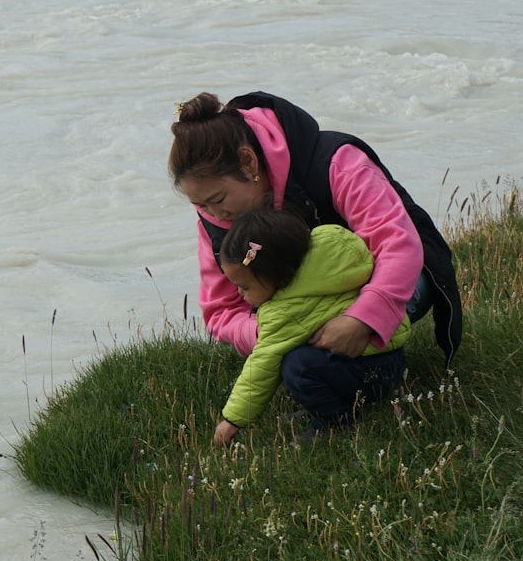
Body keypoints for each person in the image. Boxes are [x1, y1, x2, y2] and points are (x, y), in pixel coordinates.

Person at [167, 90, 461, 372]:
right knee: (305, 360)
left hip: (404, 277)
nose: (216, 215)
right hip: (307, 305)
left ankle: (379, 370)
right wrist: (265, 333)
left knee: (315, 358)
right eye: (201, 206)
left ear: (248, 162)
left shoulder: (337, 163)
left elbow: (399, 247)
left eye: (218, 200)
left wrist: (363, 319)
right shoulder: (213, 220)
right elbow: (221, 312)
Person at [212, 207, 410, 445]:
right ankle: (325, 402)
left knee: (297, 366)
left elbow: (261, 367)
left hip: (372, 374)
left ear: (275, 276)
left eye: (245, 286)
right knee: (303, 358)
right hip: (391, 356)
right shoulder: (332, 250)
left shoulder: (283, 312)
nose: (239, 293)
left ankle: (334, 422)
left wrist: (233, 420)